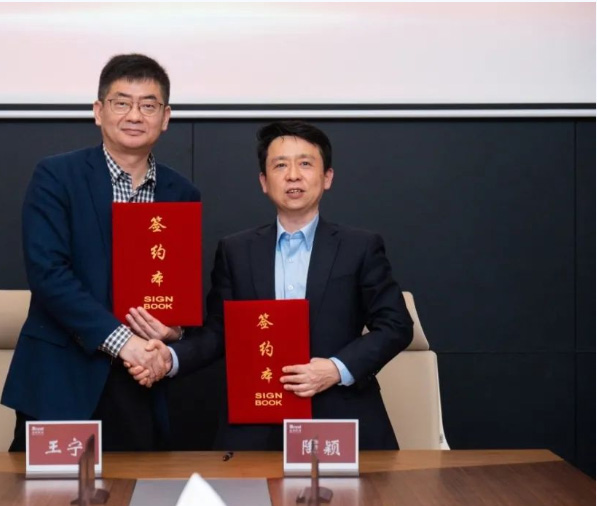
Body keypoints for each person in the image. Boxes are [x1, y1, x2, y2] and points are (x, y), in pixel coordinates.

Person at [127, 121, 413, 451]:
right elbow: (219, 333)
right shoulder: (236, 250)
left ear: (327, 177)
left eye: (305, 163)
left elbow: (396, 326)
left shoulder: (359, 247)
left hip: (339, 414)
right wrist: (171, 358)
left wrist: (335, 369)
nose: (293, 175)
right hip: (257, 419)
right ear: (264, 181)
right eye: (280, 165)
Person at [1, 54, 200, 452]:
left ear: (165, 117)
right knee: (52, 492)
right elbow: (48, 273)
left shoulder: (182, 193)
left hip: (141, 382)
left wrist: (173, 333)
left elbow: (179, 289)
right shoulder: (57, 176)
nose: (135, 115)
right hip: (63, 380)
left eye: (148, 105)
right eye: (121, 102)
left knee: (138, 491)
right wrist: (123, 341)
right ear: (98, 111)